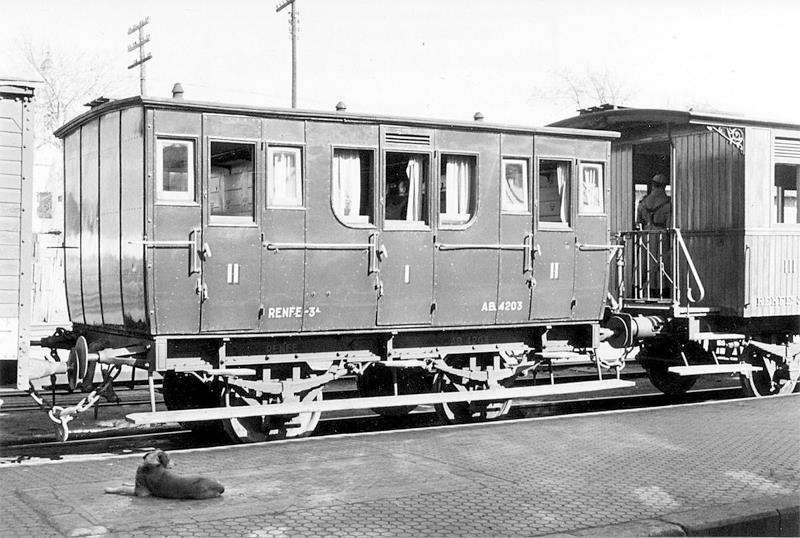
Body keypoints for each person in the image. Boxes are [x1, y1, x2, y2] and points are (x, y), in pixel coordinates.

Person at [636, 173, 672, 298]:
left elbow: (638, 222)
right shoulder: (668, 204)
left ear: (652, 185)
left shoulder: (643, 202)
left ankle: (644, 289)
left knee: (645, 262)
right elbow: (669, 224)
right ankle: (661, 291)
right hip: (662, 235)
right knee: (662, 262)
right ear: (664, 186)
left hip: (646, 234)